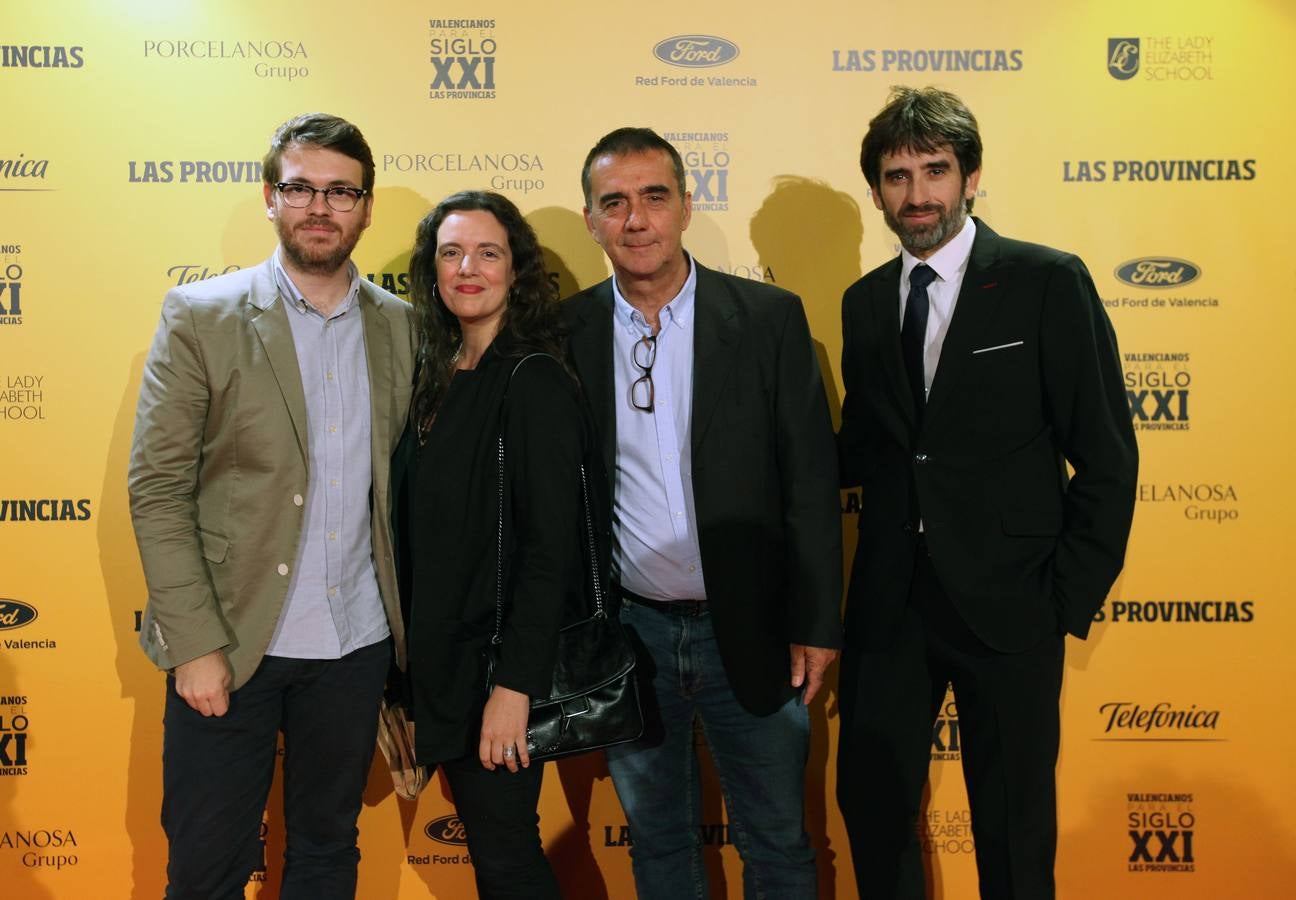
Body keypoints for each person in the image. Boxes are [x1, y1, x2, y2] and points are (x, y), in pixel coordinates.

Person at [835, 86, 1138, 900]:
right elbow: (865, 447)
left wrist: (1062, 599)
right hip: (891, 606)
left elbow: (1107, 458)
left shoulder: (1045, 281)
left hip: (1012, 608)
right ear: (876, 192)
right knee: (870, 803)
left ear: (970, 177)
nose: (918, 195)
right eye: (898, 177)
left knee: (1012, 826)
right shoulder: (864, 303)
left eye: (936, 171)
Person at [128, 113, 415, 898]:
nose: (319, 208)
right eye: (299, 188)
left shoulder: (401, 327)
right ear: (269, 197)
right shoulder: (201, 317)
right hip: (227, 639)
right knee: (208, 863)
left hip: (355, 645)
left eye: (339, 192)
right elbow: (156, 487)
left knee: (327, 853)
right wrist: (192, 645)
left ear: (365, 206)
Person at [563, 127, 842, 899]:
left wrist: (817, 621)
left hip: (750, 629)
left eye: (655, 197)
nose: (636, 219)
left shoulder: (767, 318)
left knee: (779, 845)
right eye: (614, 203)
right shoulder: (564, 332)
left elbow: (811, 484)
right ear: (591, 220)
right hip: (631, 635)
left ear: (687, 206)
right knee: (657, 847)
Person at [402, 190, 590, 900]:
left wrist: (515, 688)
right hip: (444, 666)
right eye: (451, 253)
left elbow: (552, 552)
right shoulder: (439, 375)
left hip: (497, 673)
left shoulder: (533, 378)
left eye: (488, 252)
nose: (467, 268)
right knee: (493, 854)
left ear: (517, 270)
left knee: (508, 859)